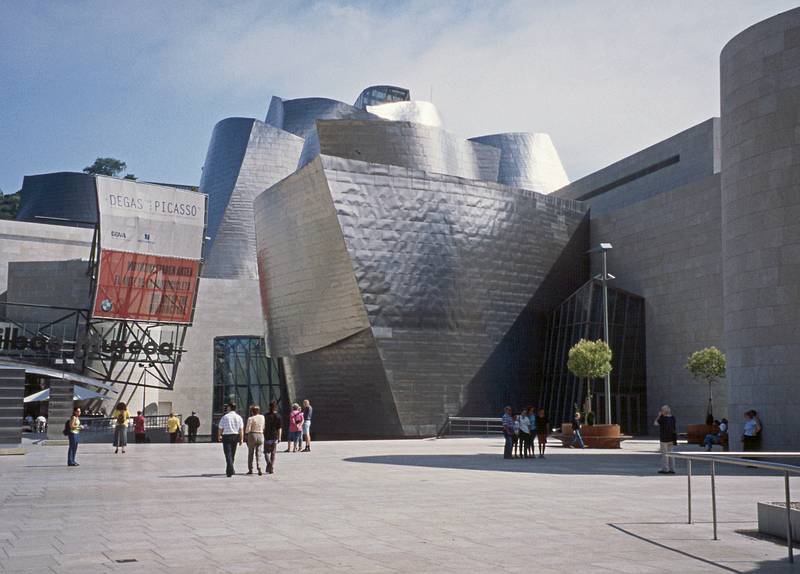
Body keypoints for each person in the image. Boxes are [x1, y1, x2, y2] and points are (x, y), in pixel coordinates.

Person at [217, 402, 244, 477]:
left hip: (226, 436)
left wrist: (219, 436)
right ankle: (230, 469)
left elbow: (220, 427)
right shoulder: (239, 417)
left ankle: (230, 469)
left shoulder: (225, 417)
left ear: (229, 408)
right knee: (232, 454)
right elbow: (241, 429)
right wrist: (241, 439)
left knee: (228, 454)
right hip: (235, 436)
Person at [655, 405, 677, 474]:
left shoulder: (662, 418)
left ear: (663, 411)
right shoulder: (673, 417)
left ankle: (665, 469)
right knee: (671, 454)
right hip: (671, 437)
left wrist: (659, 415)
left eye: (662, 410)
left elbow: (655, 423)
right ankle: (672, 469)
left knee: (664, 454)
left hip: (664, 438)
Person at [245, 405, 265, 476]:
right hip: (260, 434)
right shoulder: (262, 417)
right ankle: (259, 467)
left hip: (252, 435)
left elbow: (248, 429)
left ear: (252, 411)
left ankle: (250, 469)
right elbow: (263, 426)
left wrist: (246, 434)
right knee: (258, 453)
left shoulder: (251, 418)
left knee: (251, 453)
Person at [264, 400, 282, 475]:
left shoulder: (265, 416)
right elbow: (279, 428)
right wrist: (280, 437)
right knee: (273, 452)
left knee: (266, 452)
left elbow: (263, 427)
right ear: (275, 407)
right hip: (274, 436)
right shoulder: (278, 416)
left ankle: (269, 463)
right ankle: (271, 466)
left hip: (267, 436)